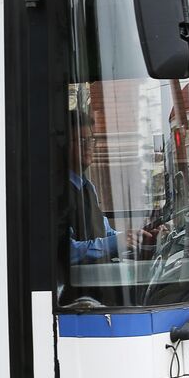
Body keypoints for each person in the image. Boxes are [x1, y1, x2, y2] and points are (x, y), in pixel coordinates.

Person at [64, 107, 163, 265]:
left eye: (91, 140)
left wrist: (137, 236)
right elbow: (66, 251)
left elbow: (106, 232)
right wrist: (117, 242)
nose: (89, 146)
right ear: (64, 144)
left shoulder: (88, 187)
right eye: (82, 140)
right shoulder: (57, 192)